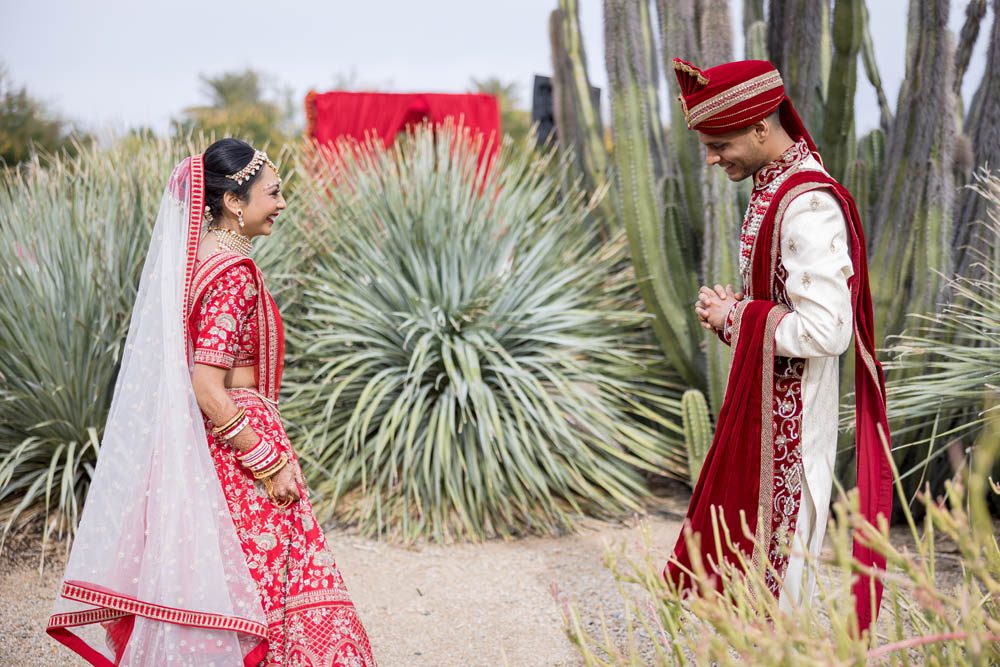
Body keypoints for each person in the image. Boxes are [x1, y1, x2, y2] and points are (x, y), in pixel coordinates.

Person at [48, 139, 377, 666]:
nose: (283, 203)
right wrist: (268, 462)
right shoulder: (233, 272)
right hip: (235, 445)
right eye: (273, 193)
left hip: (201, 447)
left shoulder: (197, 261)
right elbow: (207, 387)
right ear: (233, 201)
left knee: (216, 582)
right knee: (272, 586)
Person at [663, 59, 893, 634]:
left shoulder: (807, 205)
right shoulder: (773, 187)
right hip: (769, 415)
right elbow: (785, 305)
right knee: (761, 587)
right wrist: (734, 316)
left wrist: (739, 316)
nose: (711, 159)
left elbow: (828, 331)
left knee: (783, 591)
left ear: (761, 128)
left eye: (719, 145)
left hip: (793, 430)